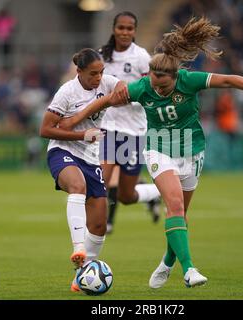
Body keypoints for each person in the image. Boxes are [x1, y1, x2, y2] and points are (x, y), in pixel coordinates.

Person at [60, 17, 243, 288]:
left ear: (176, 77)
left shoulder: (190, 80)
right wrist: (75, 119)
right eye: (154, 83)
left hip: (191, 148)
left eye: (164, 85)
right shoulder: (142, 87)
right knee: (172, 206)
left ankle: (167, 262)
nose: (158, 89)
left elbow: (227, 80)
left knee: (179, 216)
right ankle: (189, 269)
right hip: (157, 148)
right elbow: (106, 100)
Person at [39, 48, 127, 292]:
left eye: (101, 73)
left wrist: (120, 84)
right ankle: (79, 249)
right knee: (78, 186)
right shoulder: (66, 92)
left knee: (99, 224)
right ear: (79, 72)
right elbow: (45, 129)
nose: (98, 79)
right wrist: (81, 135)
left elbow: (122, 87)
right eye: (92, 74)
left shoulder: (106, 81)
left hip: (90, 157)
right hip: (62, 151)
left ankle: (81, 277)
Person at [98, 11, 161, 234]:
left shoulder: (142, 57)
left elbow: (151, 89)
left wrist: (129, 95)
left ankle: (154, 192)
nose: (125, 32)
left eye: (129, 28)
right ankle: (91, 241)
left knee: (126, 196)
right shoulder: (102, 56)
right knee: (99, 185)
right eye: (121, 28)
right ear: (114, 29)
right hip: (106, 129)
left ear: (134, 31)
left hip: (132, 132)